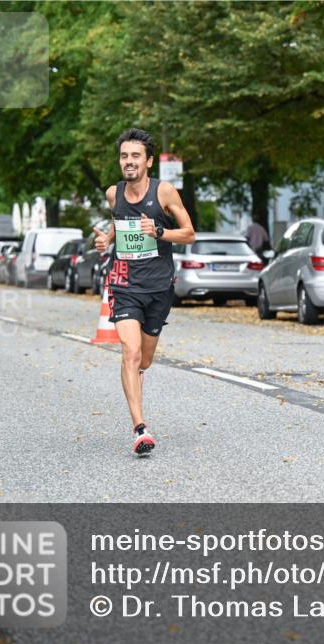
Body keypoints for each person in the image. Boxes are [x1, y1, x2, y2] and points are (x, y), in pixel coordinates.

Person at [94, 128, 195, 455]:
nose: (129, 161)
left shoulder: (164, 193)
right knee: (130, 351)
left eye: (135, 156)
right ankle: (140, 428)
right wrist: (107, 240)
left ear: (148, 161)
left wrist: (161, 231)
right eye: (124, 156)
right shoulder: (114, 193)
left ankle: (136, 379)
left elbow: (189, 233)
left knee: (145, 360)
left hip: (158, 287)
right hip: (123, 284)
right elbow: (119, 221)